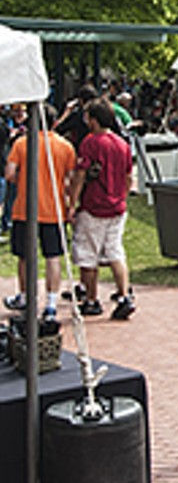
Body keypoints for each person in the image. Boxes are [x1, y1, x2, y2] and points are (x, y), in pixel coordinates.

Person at [4, 106, 76, 319]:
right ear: (54, 122)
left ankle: (26, 297)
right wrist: (70, 202)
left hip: (25, 209)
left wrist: (24, 181)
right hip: (55, 208)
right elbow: (70, 180)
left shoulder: (22, 143)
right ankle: (51, 304)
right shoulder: (65, 146)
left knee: (25, 256)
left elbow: (9, 173)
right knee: (53, 256)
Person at [66, 100, 135, 319]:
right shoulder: (122, 144)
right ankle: (124, 295)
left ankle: (91, 299)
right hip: (117, 207)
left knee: (87, 255)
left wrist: (71, 204)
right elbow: (128, 177)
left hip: (94, 205)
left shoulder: (90, 143)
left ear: (93, 120)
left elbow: (80, 175)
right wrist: (121, 196)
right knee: (115, 251)